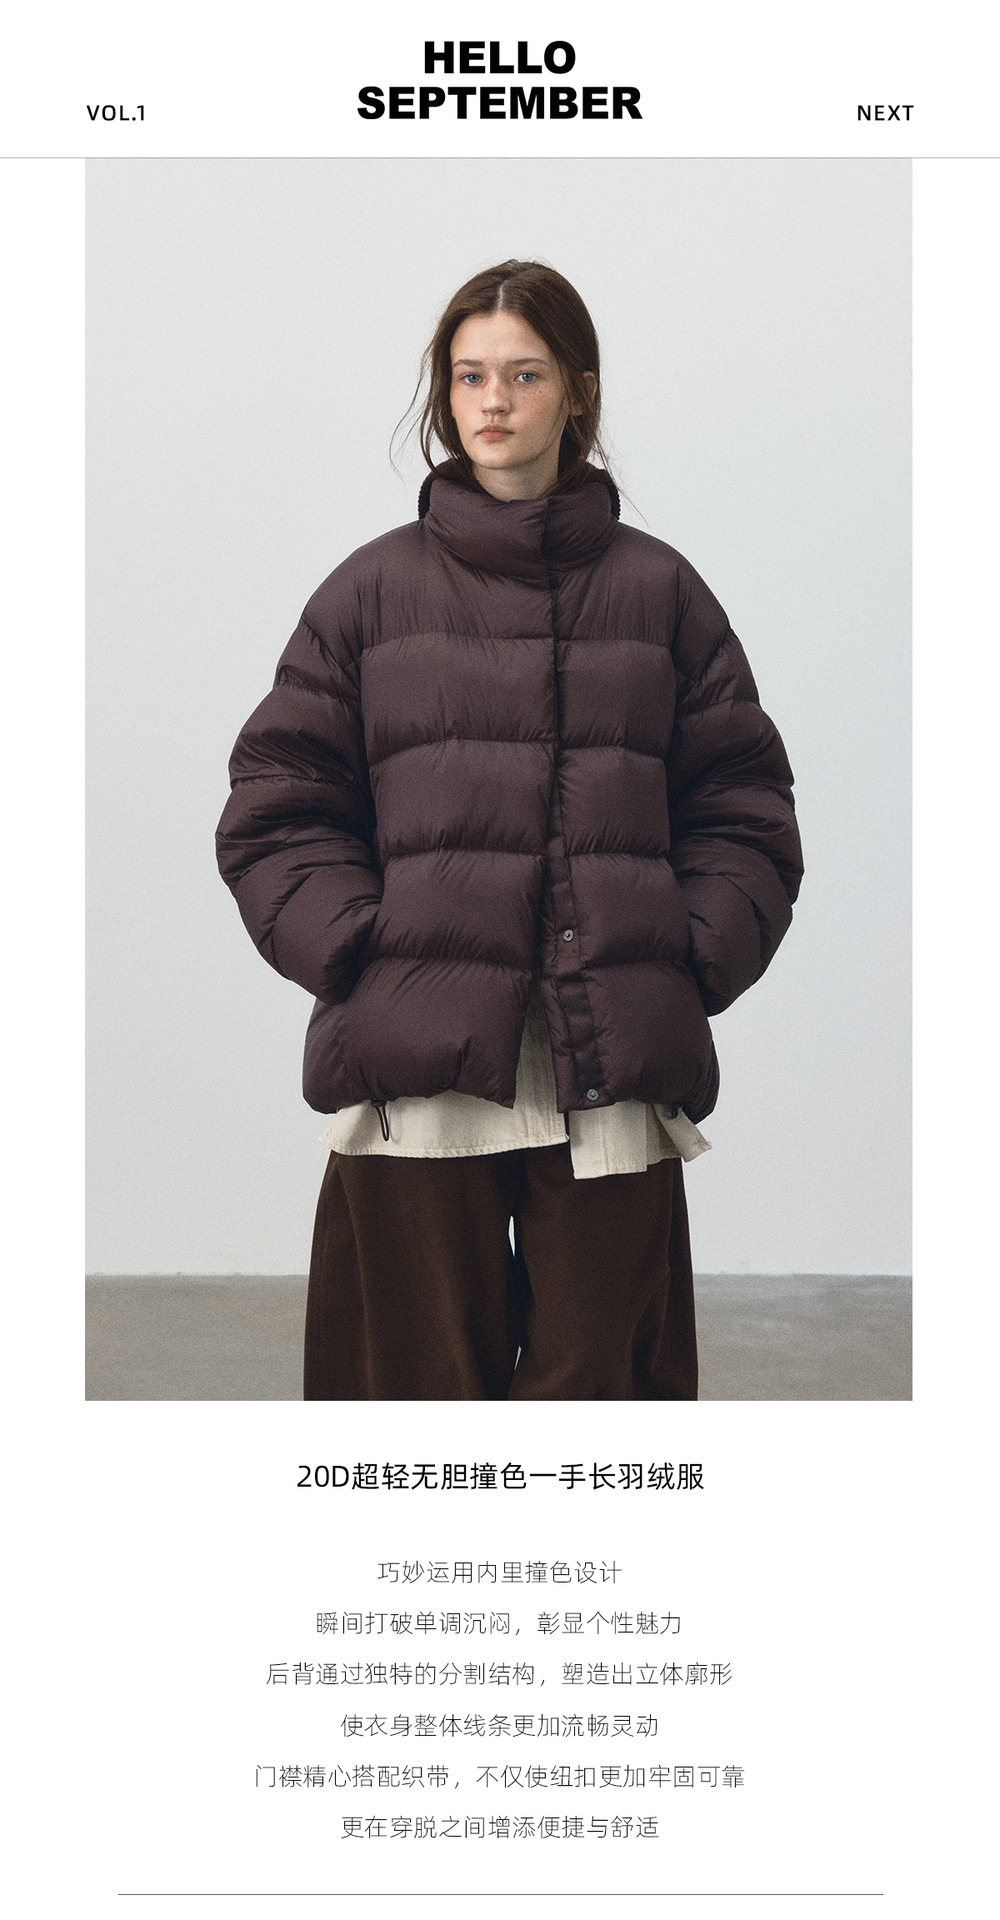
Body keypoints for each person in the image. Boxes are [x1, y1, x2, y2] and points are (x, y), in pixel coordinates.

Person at [216, 259, 803, 1402]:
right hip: (418, 1052)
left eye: (524, 374)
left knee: (602, 1384)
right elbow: (278, 801)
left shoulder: (661, 593)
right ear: (444, 393)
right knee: (414, 1388)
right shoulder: (369, 593)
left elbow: (743, 804)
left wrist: (689, 954)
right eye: (469, 374)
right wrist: (361, 946)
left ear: (578, 391)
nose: (492, 401)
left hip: (610, 1047)